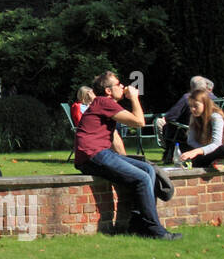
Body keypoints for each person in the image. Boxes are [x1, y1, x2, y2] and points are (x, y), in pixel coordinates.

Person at [75, 71, 179, 240]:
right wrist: (134, 98)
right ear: (108, 90)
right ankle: (155, 230)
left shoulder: (103, 105)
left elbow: (114, 137)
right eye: (118, 84)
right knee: (143, 178)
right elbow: (139, 122)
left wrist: (126, 162)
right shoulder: (104, 102)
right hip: (92, 155)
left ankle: (137, 224)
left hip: (99, 153)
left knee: (147, 169)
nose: (122, 87)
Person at [180, 90, 224, 169]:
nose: (192, 109)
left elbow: (216, 144)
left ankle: (222, 161)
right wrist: (199, 151)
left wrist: (197, 152)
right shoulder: (194, 118)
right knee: (184, 148)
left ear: (205, 104)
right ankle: (216, 162)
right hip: (211, 149)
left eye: (196, 106)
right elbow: (191, 141)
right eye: (190, 106)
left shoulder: (216, 117)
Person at [157, 75, 214, 164]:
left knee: (160, 122)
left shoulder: (188, 97)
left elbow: (170, 117)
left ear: (191, 86)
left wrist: (168, 118)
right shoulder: (214, 97)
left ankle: (168, 151)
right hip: (209, 130)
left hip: (186, 130)